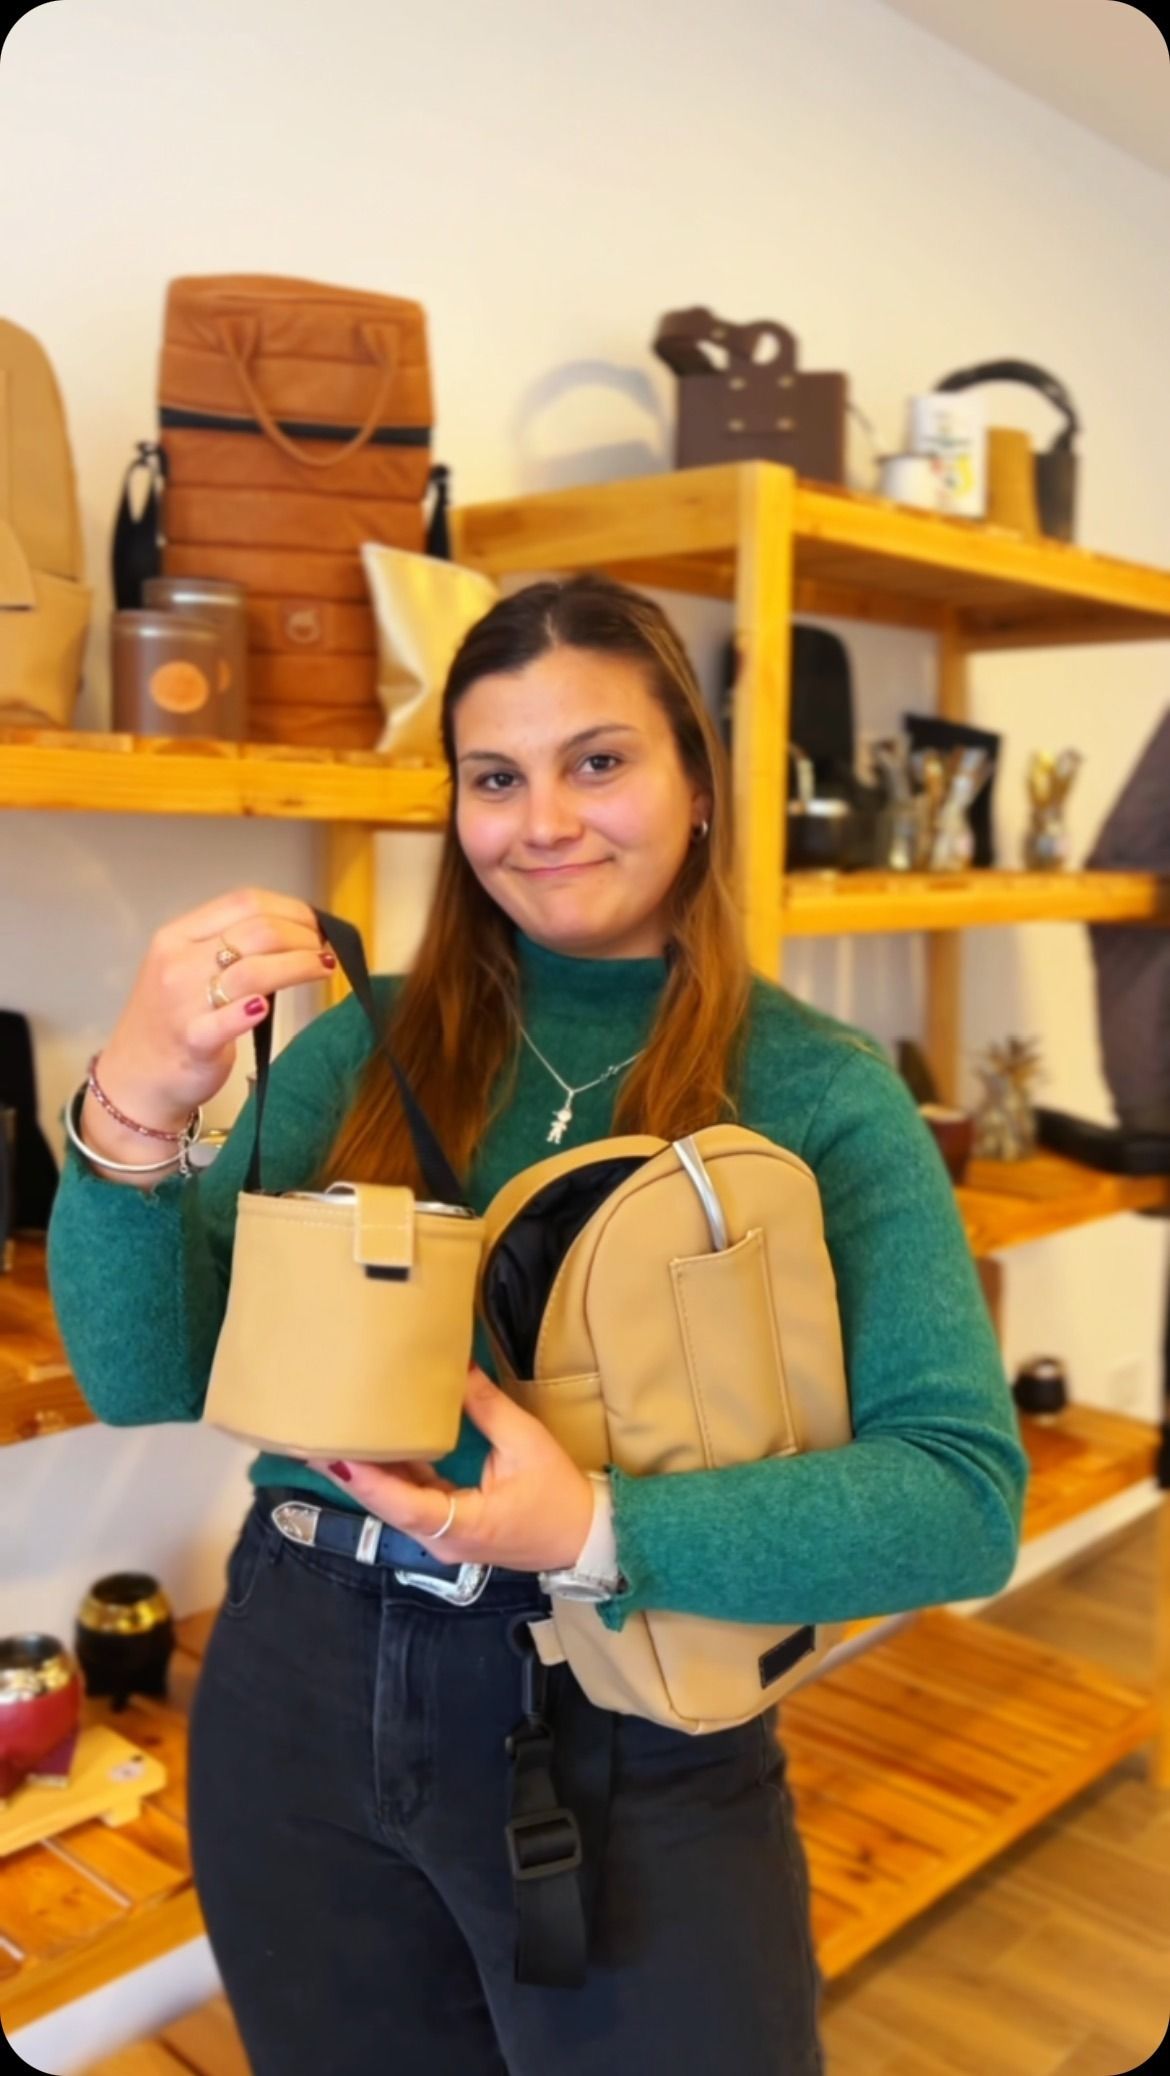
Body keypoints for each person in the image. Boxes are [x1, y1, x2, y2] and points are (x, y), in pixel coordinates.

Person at [47, 575, 1028, 2076]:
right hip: (298, 1691)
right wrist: (134, 1108)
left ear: (697, 785)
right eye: (495, 778)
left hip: (627, 1715)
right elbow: (143, 1372)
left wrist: (593, 1528)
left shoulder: (817, 1087)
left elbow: (959, 1499)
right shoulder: (362, 1047)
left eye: (599, 761)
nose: (543, 819)